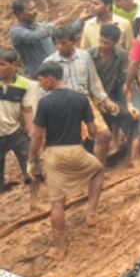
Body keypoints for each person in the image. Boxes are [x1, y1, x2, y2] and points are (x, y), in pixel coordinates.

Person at [28, 61, 105, 259]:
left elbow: (36, 136)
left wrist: (31, 159)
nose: (40, 84)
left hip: (54, 154)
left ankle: (60, 249)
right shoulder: (80, 98)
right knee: (97, 170)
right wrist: (90, 138)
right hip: (76, 149)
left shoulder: (45, 103)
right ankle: (91, 212)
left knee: (57, 203)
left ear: (51, 79)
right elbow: (93, 129)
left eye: (41, 80)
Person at [43, 25, 117, 165]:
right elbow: (44, 91)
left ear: (74, 41)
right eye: (57, 43)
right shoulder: (49, 63)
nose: (59, 46)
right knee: (72, 144)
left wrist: (106, 100)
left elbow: (94, 82)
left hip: (84, 102)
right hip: (62, 106)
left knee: (104, 135)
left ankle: (98, 168)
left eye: (63, 43)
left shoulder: (84, 56)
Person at [91, 24, 132, 157]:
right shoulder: (89, 55)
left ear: (115, 43)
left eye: (107, 43)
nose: (102, 45)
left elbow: (123, 79)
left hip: (113, 95)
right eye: (101, 41)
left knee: (128, 114)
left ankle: (121, 143)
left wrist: (128, 102)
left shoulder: (122, 55)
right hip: (94, 98)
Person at [0, 48, 35, 193]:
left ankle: (32, 190)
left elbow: (27, 111)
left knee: (31, 162)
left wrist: (32, 132)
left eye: (2, 64)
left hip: (15, 131)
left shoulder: (25, 85)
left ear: (13, 65)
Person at [10, 0, 60, 77]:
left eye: (34, 8)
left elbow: (57, 34)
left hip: (54, 71)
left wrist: (80, 20)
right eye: (30, 10)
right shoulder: (17, 31)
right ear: (19, 14)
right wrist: (53, 26)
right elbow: (34, 36)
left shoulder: (39, 26)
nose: (35, 11)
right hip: (38, 75)